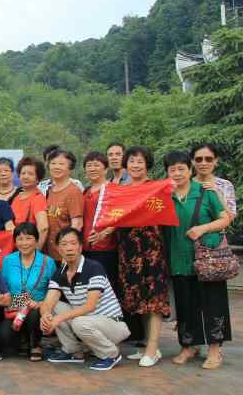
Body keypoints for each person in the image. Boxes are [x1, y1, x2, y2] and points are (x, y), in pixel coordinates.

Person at [163, 151, 232, 370]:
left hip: (207, 258)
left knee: (213, 304)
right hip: (178, 258)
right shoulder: (164, 197)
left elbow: (225, 219)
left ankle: (214, 350)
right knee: (186, 305)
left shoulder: (204, 192)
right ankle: (188, 346)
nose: (177, 173)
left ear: (190, 169)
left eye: (181, 168)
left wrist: (203, 227)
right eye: (172, 169)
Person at [41, 227, 130, 371]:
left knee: (78, 322)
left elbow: (90, 306)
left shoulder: (94, 268)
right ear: (57, 248)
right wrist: (45, 315)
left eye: (73, 243)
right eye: (64, 244)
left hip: (113, 324)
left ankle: (111, 354)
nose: (69, 248)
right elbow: (48, 302)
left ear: (81, 247)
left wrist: (58, 318)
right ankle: (73, 351)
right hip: (87, 321)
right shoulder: (59, 273)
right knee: (54, 307)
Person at [115, 146, 170, 367]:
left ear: (147, 164)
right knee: (138, 298)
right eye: (132, 161)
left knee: (154, 299)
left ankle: (152, 348)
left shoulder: (157, 188)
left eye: (140, 161)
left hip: (151, 250)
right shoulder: (120, 190)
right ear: (125, 164)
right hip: (128, 250)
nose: (136, 165)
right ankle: (149, 344)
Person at [0, 223, 56, 361]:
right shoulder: (8, 260)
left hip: (37, 308)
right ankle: (23, 340)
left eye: (29, 238)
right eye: (20, 239)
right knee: (4, 338)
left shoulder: (48, 262)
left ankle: (35, 345)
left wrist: (42, 303)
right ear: (15, 241)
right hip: (14, 309)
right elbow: (3, 287)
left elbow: (55, 290)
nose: (24, 243)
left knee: (34, 313)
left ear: (36, 240)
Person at [80, 152, 119, 293]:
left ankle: (111, 315)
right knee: (89, 288)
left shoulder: (113, 189)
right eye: (89, 165)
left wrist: (104, 233)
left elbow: (120, 216)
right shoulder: (85, 191)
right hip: (85, 248)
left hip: (105, 248)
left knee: (106, 288)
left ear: (106, 169)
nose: (92, 168)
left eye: (97, 165)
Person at [44, 149, 83, 260]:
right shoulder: (50, 190)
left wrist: (68, 249)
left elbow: (77, 224)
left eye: (61, 164)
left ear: (70, 168)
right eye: (53, 163)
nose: (56, 167)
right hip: (49, 254)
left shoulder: (73, 191)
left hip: (65, 255)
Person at [191, 143, 238, 224]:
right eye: (199, 159)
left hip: (218, 235)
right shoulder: (186, 185)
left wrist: (217, 194)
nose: (203, 163)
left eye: (208, 159)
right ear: (192, 162)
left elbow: (231, 218)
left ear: (215, 161)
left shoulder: (225, 185)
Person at [10, 157, 48, 248]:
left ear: (37, 178)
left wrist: (36, 252)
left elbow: (43, 228)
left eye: (30, 174)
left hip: (29, 249)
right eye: (23, 173)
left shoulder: (38, 198)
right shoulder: (17, 197)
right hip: (16, 247)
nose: (25, 176)